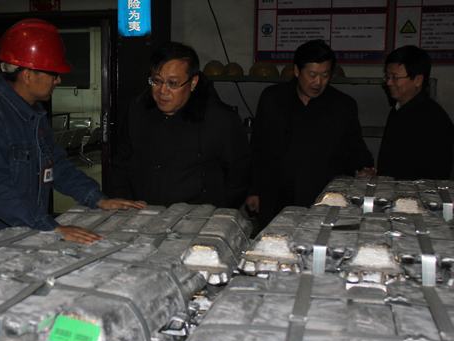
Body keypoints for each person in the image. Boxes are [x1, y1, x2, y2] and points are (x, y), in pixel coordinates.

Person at [0, 19, 144, 244]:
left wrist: (97, 199)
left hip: (23, 233)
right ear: (28, 74)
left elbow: (56, 166)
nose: (58, 80)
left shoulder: (34, 113)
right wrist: (50, 227)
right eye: (53, 73)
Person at [246, 39, 375, 229]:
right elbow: (258, 147)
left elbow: (354, 147)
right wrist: (253, 190)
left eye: (325, 75)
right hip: (276, 197)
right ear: (297, 71)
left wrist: (364, 167)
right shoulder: (273, 99)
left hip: (323, 199)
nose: (318, 82)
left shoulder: (342, 106)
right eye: (312, 74)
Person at [110, 41, 250, 208]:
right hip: (144, 213)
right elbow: (121, 163)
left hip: (199, 216)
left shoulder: (219, 119)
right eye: (156, 81)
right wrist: (126, 202)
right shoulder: (138, 111)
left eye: (173, 83)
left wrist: (217, 212)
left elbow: (239, 174)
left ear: (193, 82)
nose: (162, 91)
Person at [377, 45, 454, 180]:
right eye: (387, 76)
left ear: (418, 80)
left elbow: (435, 171)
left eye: (395, 77)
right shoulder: (398, 109)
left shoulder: (432, 118)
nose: (389, 82)